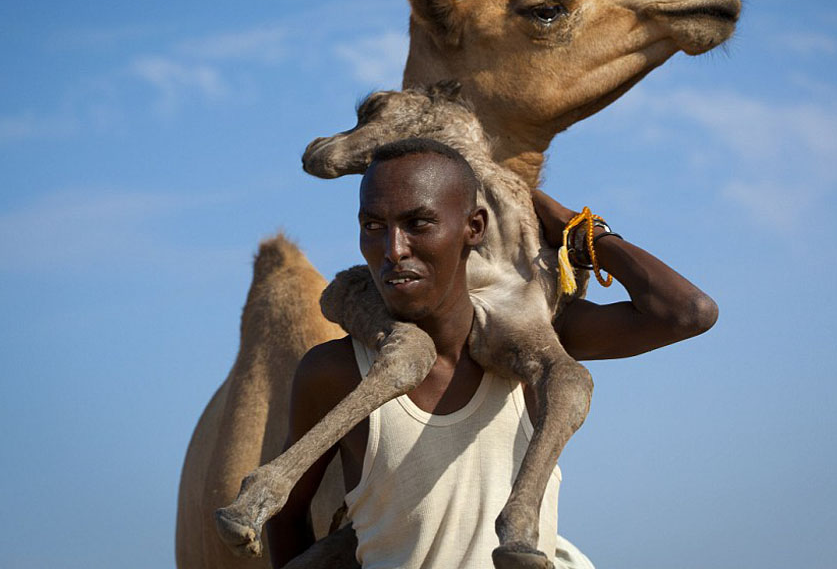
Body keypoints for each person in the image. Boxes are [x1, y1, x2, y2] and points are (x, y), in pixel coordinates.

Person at [269, 138, 717, 568]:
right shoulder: (336, 370)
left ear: (474, 228)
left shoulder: (536, 344)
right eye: (373, 226)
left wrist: (580, 232)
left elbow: (687, 313)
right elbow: (286, 513)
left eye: (418, 223)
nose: (393, 250)